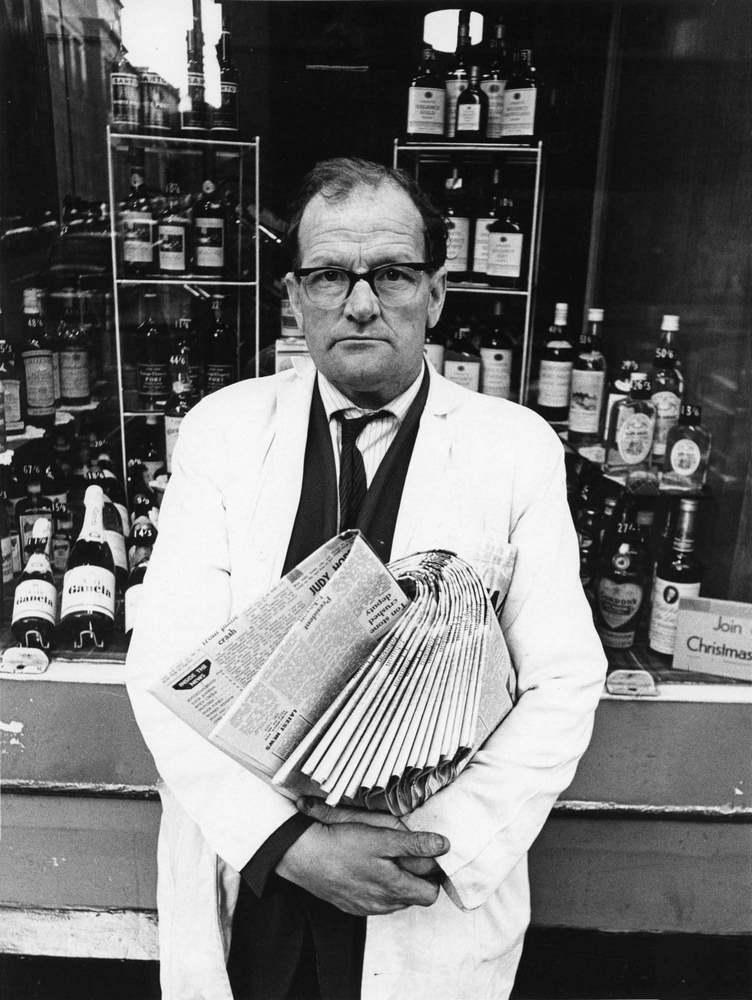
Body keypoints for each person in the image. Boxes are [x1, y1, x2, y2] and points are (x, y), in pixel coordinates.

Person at [126, 157, 606, 1000]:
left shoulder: (513, 447)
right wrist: (289, 847)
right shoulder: (223, 432)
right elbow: (166, 669)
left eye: (390, 273)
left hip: (417, 890)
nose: (359, 302)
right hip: (258, 884)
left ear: (437, 291)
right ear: (293, 297)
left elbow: (565, 682)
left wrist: (435, 846)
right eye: (328, 276)